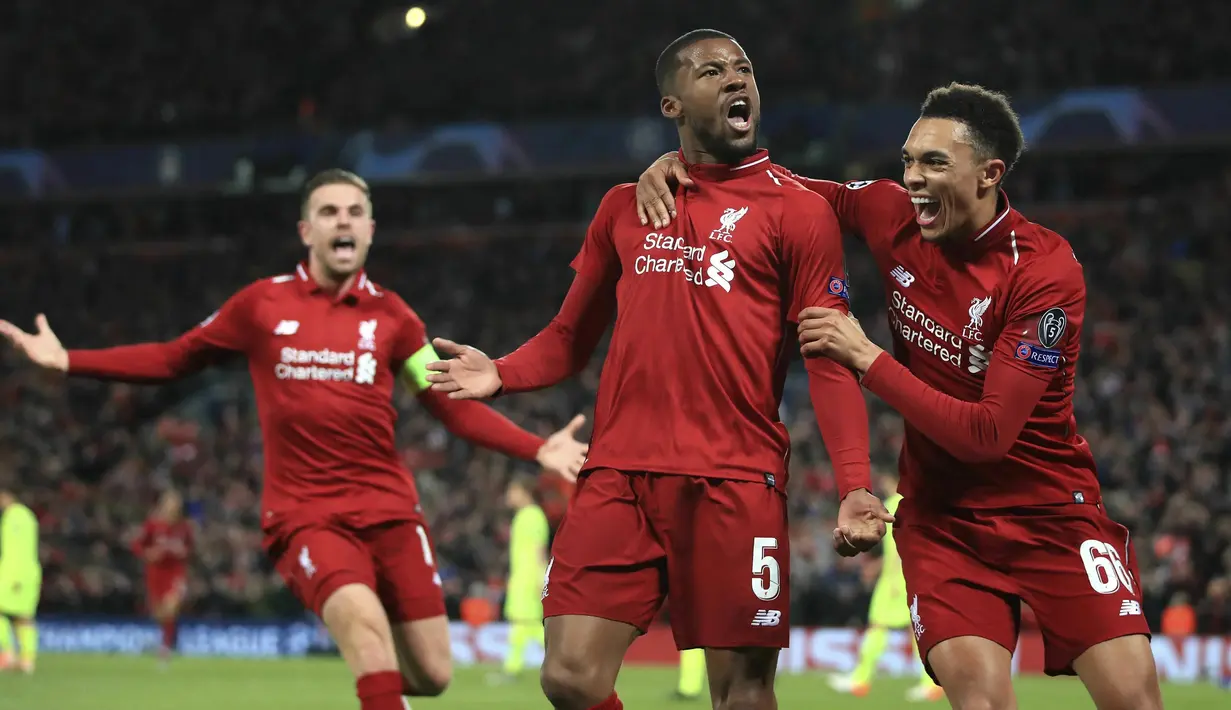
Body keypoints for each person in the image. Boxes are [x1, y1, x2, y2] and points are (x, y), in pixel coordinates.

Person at [635, 83, 1163, 710]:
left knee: (1136, 703)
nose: (911, 178)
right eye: (908, 160)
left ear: (989, 174)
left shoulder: (1044, 271)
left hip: (1052, 513)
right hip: (945, 524)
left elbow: (987, 436)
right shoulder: (891, 213)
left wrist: (866, 357)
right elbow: (785, 187)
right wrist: (688, 164)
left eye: (934, 163)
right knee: (982, 703)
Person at [0, 169, 590, 710]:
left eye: (355, 212)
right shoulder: (261, 306)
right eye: (329, 211)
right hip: (306, 515)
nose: (343, 221)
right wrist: (69, 360)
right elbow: (172, 358)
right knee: (363, 628)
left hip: (390, 513)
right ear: (306, 229)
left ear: (370, 229)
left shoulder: (393, 319)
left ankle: (375, 678)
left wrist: (535, 448)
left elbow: (450, 410)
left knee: (433, 674)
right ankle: (374, 680)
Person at [426, 28, 892, 710]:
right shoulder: (625, 205)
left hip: (735, 476)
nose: (736, 80)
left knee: (742, 693)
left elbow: (827, 359)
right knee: (569, 678)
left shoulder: (799, 212)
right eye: (711, 71)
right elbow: (567, 337)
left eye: (744, 69)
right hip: (620, 473)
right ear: (672, 106)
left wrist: (853, 481)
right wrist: (501, 372)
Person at [827, 473, 942, 703]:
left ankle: (862, 679)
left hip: (896, 581)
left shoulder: (893, 505)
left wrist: (893, 579)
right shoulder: (914, 503)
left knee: (883, 626)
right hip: (903, 576)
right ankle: (929, 684)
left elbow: (900, 548)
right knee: (912, 628)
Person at [497, 474, 550, 682]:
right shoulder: (522, 516)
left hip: (529, 578)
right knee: (522, 624)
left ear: (524, 493)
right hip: (520, 577)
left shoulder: (534, 516)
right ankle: (512, 669)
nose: (509, 495)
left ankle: (564, 658)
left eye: (513, 491)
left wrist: (541, 579)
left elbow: (539, 550)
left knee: (527, 624)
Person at [131, 489, 194, 662]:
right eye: (170, 503)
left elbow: (190, 549)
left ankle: (165, 649)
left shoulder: (184, 527)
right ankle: (166, 640)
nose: (173, 507)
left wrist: (183, 552)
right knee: (160, 614)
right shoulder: (152, 525)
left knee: (171, 608)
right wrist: (148, 554)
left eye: (176, 503)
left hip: (176, 572)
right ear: (163, 505)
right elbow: (136, 545)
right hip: (155, 573)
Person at [0, 488, 40, 675]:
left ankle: (6, 654)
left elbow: (14, 549)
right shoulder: (28, 515)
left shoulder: (12, 516)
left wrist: (13, 576)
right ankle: (27, 660)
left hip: (14, 570)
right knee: (24, 616)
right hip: (31, 570)